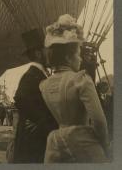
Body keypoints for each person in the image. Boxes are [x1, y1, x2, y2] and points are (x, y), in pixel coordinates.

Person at [39, 14, 109, 163]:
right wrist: (104, 146)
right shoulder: (80, 80)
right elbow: (99, 121)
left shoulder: (44, 86)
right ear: (68, 57)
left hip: (55, 144)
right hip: (83, 143)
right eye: (78, 54)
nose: (81, 58)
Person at [11, 29, 58, 163]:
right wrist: (44, 122)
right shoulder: (31, 75)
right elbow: (20, 98)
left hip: (35, 138)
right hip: (32, 142)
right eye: (47, 50)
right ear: (38, 53)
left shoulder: (40, 74)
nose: (50, 53)